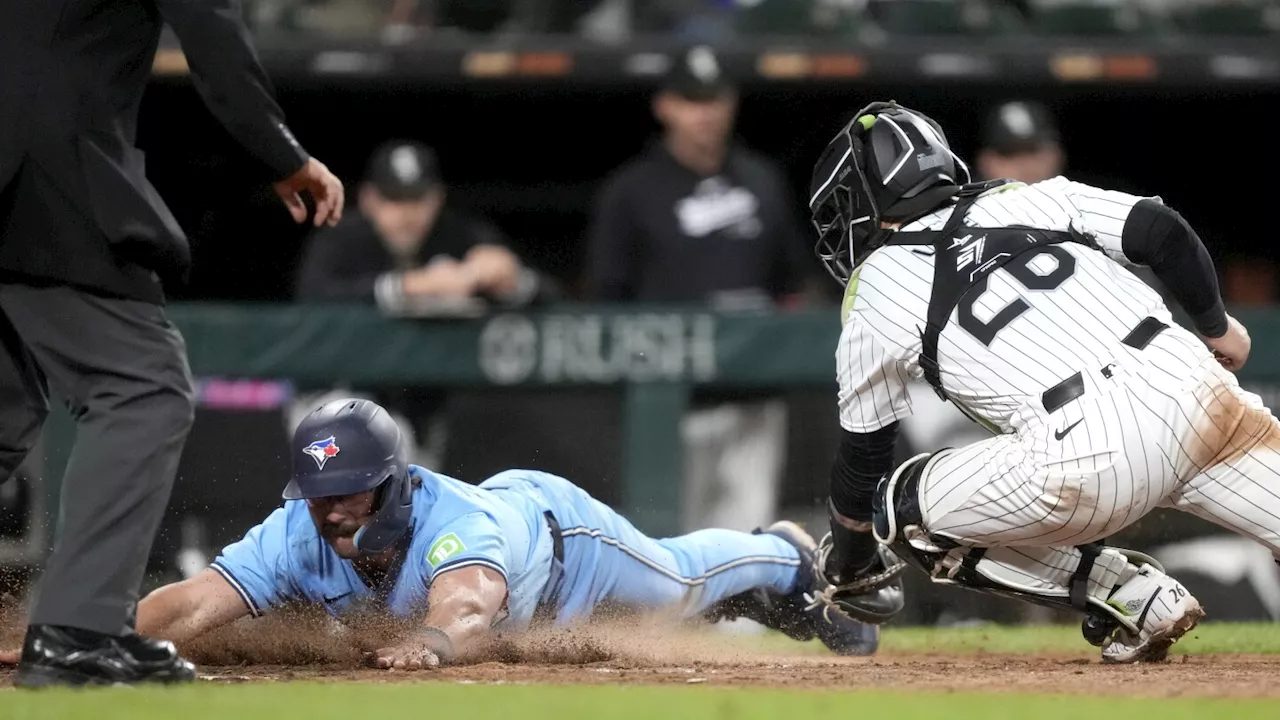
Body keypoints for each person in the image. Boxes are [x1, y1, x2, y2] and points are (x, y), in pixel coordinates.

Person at [804, 100, 1265, 664]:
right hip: (1200, 394)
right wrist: (1218, 327)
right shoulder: (1029, 194)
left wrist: (850, 563)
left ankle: (1128, 594)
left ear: (870, 204)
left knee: (901, 509)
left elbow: (863, 456)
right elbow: (1160, 229)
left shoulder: (874, 285)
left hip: (1086, 457)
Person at [2, 398, 877, 670]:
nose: (332, 510)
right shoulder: (300, 526)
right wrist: (82, 636)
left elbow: (470, 604)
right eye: (319, 495)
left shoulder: (454, 526)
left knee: (680, 587)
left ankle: (784, 559)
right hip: (522, 573)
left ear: (394, 483)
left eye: (350, 493)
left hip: (559, 539)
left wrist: (428, 642)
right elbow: (195, 601)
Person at [0, 0, 345, 688]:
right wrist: (284, 153)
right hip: (44, 177)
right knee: (143, 389)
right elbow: (212, 32)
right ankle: (78, 633)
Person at [586, 45, 823, 535]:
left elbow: (792, 282)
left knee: (748, 529)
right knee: (673, 539)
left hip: (756, 394)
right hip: (671, 400)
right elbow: (607, 298)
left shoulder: (760, 180)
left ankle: (743, 615)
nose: (705, 113)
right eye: (692, 100)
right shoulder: (632, 191)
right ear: (665, 106)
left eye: (714, 99)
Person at [293, 139, 555, 470]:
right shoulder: (342, 239)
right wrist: (406, 287)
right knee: (375, 441)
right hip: (336, 399)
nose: (407, 213)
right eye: (394, 200)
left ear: (437, 198)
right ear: (370, 199)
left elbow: (551, 296)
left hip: (426, 410)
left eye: (417, 199)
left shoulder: (459, 236)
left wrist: (513, 282)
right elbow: (312, 301)